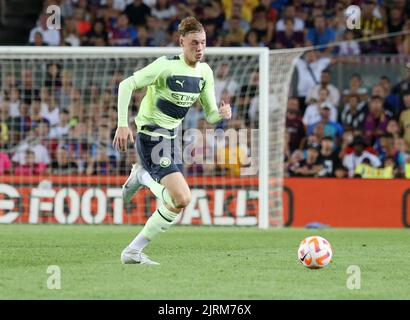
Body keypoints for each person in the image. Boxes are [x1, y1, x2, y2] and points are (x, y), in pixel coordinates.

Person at [112, 17, 232, 265]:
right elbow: (126, 85)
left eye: (203, 43)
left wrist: (221, 114)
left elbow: (209, 115)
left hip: (171, 140)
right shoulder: (165, 66)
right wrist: (122, 124)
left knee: (177, 203)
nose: (199, 48)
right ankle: (142, 177)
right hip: (150, 136)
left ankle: (133, 252)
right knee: (182, 198)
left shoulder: (205, 72)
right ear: (182, 42)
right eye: (194, 43)